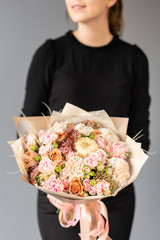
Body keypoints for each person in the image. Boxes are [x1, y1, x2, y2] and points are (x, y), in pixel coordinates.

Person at [21, 0, 150, 239]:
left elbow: (141, 136)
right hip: (58, 202)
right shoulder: (51, 53)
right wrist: (54, 185)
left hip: (115, 199)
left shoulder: (134, 59)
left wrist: (108, 180)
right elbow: (28, 129)